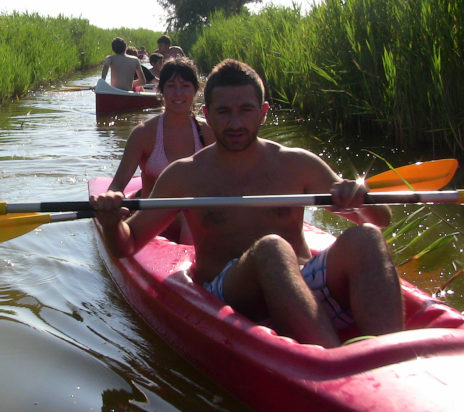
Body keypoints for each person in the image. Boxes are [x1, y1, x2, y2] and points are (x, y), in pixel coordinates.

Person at [91, 59, 403, 348]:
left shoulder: (297, 164)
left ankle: (391, 361)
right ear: (208, 114)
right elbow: (127, 245)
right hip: (230, 295)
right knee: (273, 249)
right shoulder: (184, 175)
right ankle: (332, 362)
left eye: (246, 110)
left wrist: (360, 198)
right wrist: (110, 222)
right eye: (224, 112)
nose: (235, 122)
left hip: (302, 282)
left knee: (366, 238)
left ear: (264, 112)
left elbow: (381, 219)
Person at [106, 57, 215, 242]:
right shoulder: (143, 134)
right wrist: (111, 199)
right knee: (188, 218)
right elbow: (117, 185)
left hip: (197, 221)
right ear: (161, 90)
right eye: (171, 86)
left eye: (185, 86)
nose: (178, 93)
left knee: (191, 217)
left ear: (196, 90)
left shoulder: (209, 132)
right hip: (152, 223)